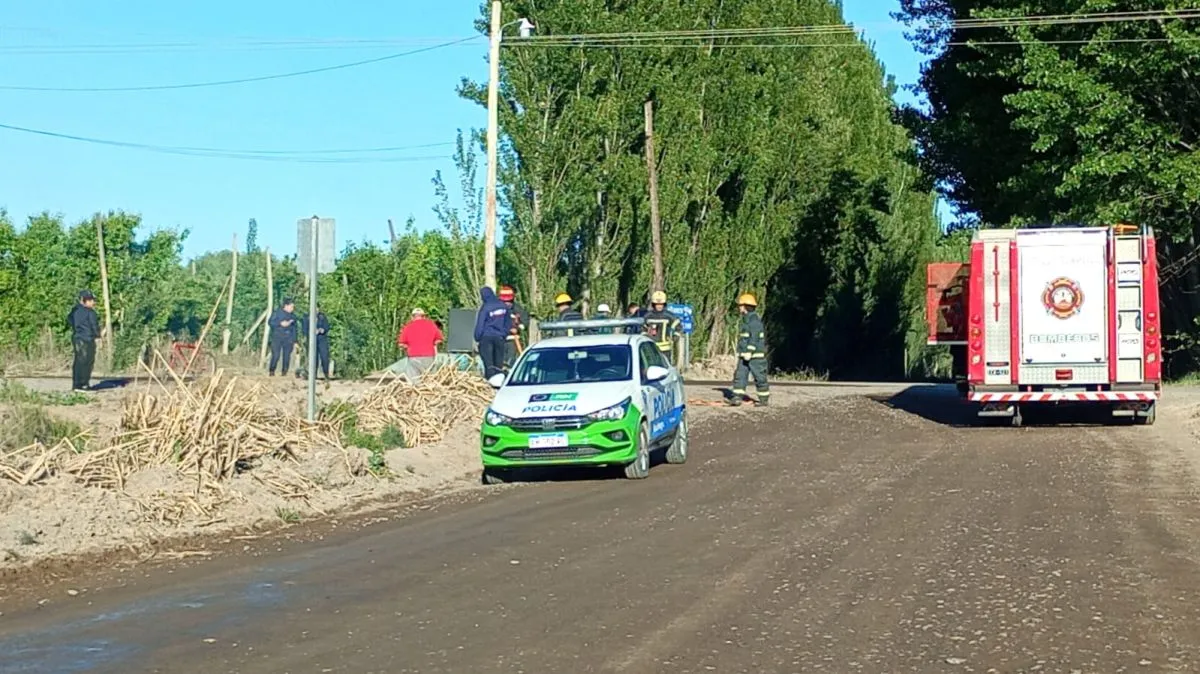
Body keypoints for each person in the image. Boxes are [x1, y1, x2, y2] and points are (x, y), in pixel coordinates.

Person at [729, 293, 770, 407]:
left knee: (759, 377)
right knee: (740, 376)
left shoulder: (754, 321)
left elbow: (754, 338)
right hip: (744, 355)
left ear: (746, 306)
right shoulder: (746, 320)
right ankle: (737, 397)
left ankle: (763, 400)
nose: (739, 307)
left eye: (740, 305)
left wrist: (750, 352)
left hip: (755, 356)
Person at [67, 289, 102, 392]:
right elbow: (94, 326)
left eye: (92, 300)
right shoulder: (91, 313)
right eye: (90, 300)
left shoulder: (74, 311)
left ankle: (78, 384)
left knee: (79, 361)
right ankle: (82, 384)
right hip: (87, 338)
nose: (93, 302)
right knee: (86, 361)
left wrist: (77, 329)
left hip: (77, 337)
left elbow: (69, 320)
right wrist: (98, 336)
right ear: (83, 300)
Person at [398, 307, 444, 381]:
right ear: (424, 316)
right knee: (430, 380)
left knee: (414, 381)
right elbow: (439, 340)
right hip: (429, 357)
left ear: (412, 317)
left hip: (413, 357)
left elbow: (401, 344)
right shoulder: (431, 325)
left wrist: (408, 347)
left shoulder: (408, 327)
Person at [474, 287, 511, 379]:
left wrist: (477, 337)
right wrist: (504, 334)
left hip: (486, 338)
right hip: (499, 338)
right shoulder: (503, 306)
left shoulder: (485, 308)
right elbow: (508, 322)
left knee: (489, 365)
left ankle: (490, 383)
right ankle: (499, 383)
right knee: (498, 365)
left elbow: (480, 324)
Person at [642, 290, 681, 360]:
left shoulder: (669, 316)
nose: (659, 306)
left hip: (665, 349)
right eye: (657, 304)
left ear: (664, 304)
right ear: (653, 304)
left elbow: (678, 326)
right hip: (651, 348)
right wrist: (645, 337)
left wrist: (675, 337)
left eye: (661, 304)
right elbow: (643, 328)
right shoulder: (648, 316)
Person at [499, 285, 528, 368]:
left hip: (513, 342)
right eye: (504, 301)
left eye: (509, 301)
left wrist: (518, 327)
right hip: (499, 341)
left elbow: (525, 324)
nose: (507, 303)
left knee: (511, 363)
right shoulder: (496, 309)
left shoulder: (518, 310)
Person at [268, 298, 299, 376]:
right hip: (277, 336)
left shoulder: (293, 316)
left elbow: (295, 329)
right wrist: (280, 323)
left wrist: (295, 341)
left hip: (288, 338)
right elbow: (270, 322)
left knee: (287, 356)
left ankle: (284, 372)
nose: (292, 309)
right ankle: (272, 370)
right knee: (276, 355)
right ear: (286, 306)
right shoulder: (277, 313)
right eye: (291, 307)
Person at [299, 307, 332, 381]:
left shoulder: (322, 316)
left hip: (322, 339)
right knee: (313, 358)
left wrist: (322, 330)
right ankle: (313, 375)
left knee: (325, 357)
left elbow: (327, 326)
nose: (316, 310)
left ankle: (326, 374)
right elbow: (304, 330)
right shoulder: (306, 317)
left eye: (317, 308)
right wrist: (312, 332)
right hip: (311, 340)